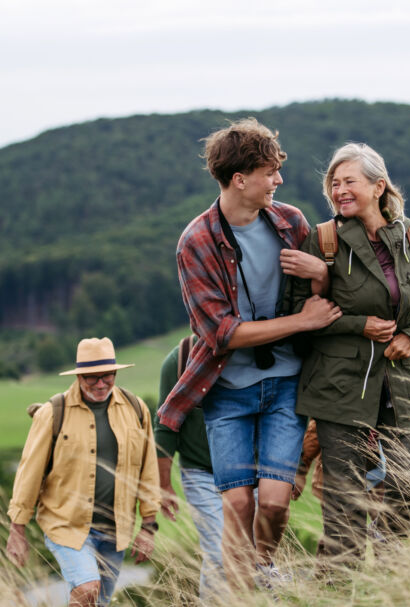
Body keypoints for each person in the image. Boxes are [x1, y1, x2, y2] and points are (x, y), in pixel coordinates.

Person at [157, 117, 342, 589]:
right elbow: (220, 333)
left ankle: (260, 573)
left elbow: (320, 297)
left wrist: (319, 273)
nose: (279, 180)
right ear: (240, 179)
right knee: (238, 505)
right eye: (270, 172)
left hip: (285, 382)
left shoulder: (291, 222)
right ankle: (241, 595)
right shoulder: (194, 242)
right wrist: (301, 322)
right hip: (226, 391)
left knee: (276, 502)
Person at [292, 142, 410, 569]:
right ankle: (338, 587)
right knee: (345, 502)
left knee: (408, 483)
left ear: (379, 186)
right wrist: (357, 325)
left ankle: (390, 568)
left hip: (405, 385)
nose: (339, 190)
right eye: (333, 183)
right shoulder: (322, 241)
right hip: (340, 388)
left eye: (349, 182)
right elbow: (298, 316)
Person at [6, 337, 160, 607]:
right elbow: (29, 473)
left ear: (115, 372)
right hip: (67, 525)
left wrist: (148, 527)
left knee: (99, 603)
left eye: (107, 376)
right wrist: (17, 529)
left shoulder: (136, 410)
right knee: (88, 589)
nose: (101, 384)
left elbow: (147, 470)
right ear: (79, 376)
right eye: (92, 377)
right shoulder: (53, 413)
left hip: (116, 529)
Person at [154, 334, 225, 602]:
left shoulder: (249, 351)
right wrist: (163, 485)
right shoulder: (179, 360)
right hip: (200, 472)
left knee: (252, 553)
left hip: (248, 473)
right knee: (218, 552)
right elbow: (165, 425)